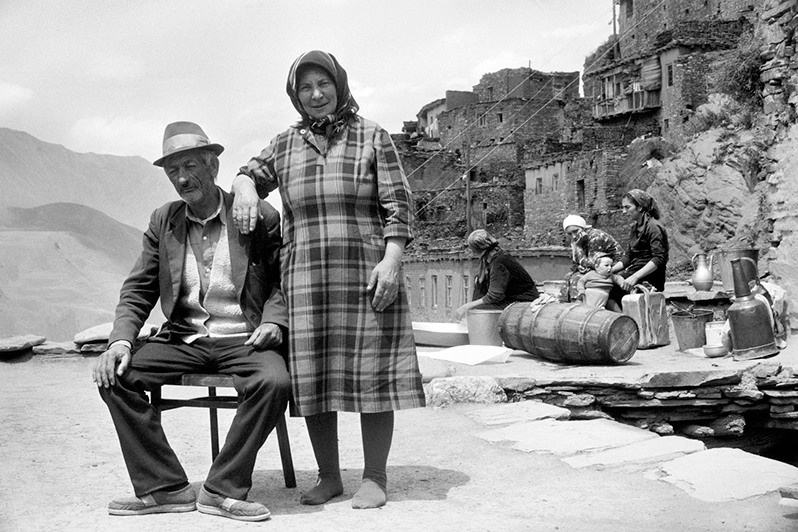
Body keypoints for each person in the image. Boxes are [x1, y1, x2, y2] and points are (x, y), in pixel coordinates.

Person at [231, 50, 425, 510]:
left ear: (339, 84)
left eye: (324, 84)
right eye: (305, 87)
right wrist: (242, 185)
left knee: (373, 374)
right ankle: (330, 477)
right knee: (315, 376)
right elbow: (251, 174)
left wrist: (392, 260)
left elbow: (400, 206)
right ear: (295, 96)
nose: (316, 94)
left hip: (367, 275)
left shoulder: (372, 137)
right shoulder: (284, 144)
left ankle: (375, 477)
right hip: (306, 280)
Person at [92, 121, 290, 522]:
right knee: (115, 377)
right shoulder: (165, 221)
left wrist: (276, 322)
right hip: (185, 338)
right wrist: (120, 342)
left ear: (213, 165)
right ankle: (166, 488)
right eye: (173, 171)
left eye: (190, 166)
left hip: (244, 339)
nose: (182, 179)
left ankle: (222, 489)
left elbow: (283, 280)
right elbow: (139, 289)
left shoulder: (257, 215)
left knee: (275, 382)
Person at [453, 229, 540, 320]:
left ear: (477, 251)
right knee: (476, 299)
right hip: (510, 299)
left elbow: (494, 296)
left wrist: (467, 306)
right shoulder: (492, 260)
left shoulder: (499, 262)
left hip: (523, 302)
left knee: (478, 311)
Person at [610, 189, 669, 305]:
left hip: (651, 276)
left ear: (640, 207)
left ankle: (627, 320)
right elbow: (629, 256)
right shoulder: (635, 228)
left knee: (611, 289)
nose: (623, 211)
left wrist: (635, 277)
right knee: (605, 282)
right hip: (635, 270)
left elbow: (659, 258)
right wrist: (609, 270)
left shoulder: (653, 227)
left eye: (627, 207)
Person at [562, 214, 622, 302]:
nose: (573, 236)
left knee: (578, 278)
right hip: (599, 266)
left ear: (583, 228)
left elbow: (592, 264)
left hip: (612, 267)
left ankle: (581, 305)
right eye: (569, 234)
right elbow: (575, 265)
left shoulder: (595, 237)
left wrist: (578, 247)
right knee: (568, 276)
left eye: (575, 231)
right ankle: (566, 304)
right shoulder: (578, 239)